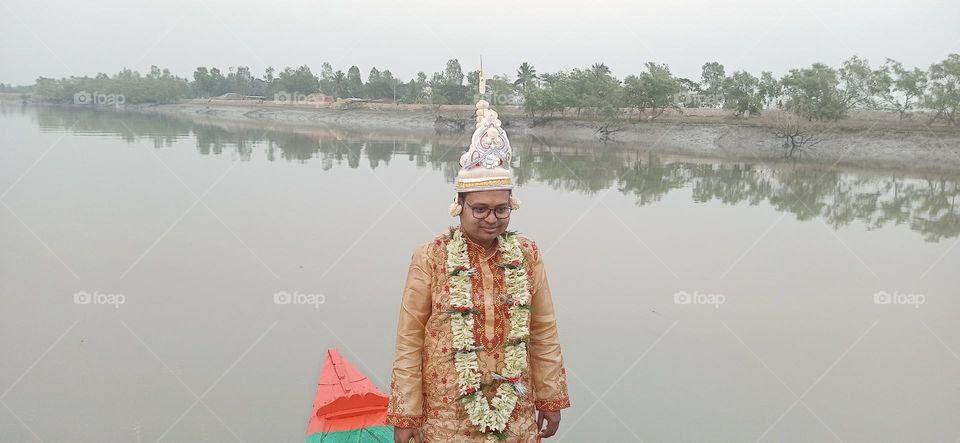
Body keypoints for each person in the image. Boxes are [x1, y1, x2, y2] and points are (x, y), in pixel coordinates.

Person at [387, 85, 571, 443]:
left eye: (501, 209)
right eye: (480, 209)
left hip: (514, 404)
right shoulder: (431, 256)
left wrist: (550, 397)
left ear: (511, 206)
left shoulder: (528, 254)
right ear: (459, 206)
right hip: (447, 410)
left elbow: (544, 331)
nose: (492, 219)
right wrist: (407, 412)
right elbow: (409, 338)